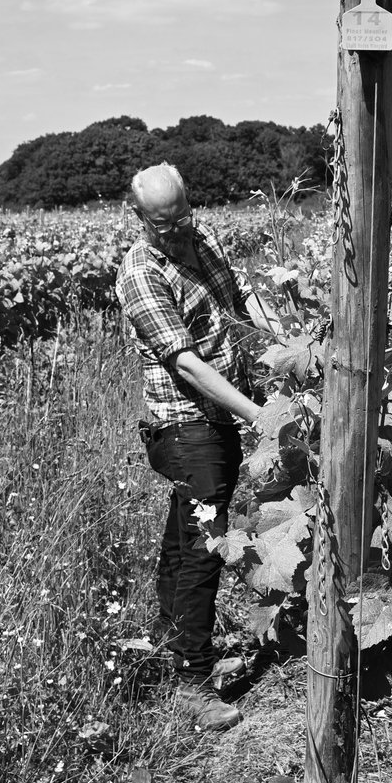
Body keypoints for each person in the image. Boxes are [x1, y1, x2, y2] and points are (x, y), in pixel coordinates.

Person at [116, 163, 281, 730]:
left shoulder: (201, 236)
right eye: (163, 224)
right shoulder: (140, 272)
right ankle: (192, 679)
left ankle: (169, 641)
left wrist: (285, 346)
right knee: (205, 543)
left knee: (185, 533)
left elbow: (241, 300)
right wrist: (259, 415)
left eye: (182, 215)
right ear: (138, 217)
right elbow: (186, 363)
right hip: (184, 424)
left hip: (218, 421)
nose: (177, 229)